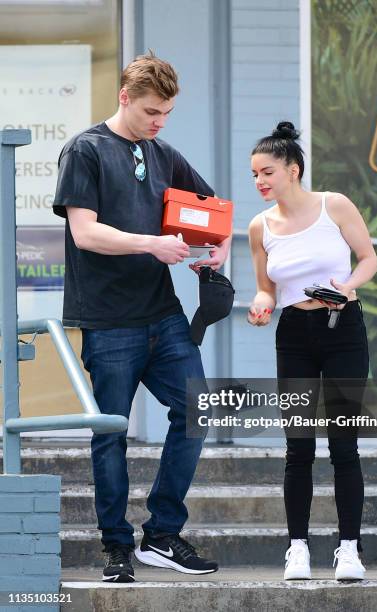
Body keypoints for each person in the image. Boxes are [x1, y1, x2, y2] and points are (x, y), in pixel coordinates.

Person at [53, 51, 230, 583]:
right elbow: (85, 232)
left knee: (199, 412)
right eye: (152, 110)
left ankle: (162, 535)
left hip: (163, 316)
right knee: (111, 433)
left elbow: (210, 208)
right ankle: (115, 548)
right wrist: (152, 244)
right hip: (108, 322)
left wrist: (216, 244)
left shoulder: (162, 151)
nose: (159, 121)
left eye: (168, 112)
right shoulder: (85, 150)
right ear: (125, 97)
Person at [247, 121, 377, 580]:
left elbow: (369, 259)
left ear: (293, 170)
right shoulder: (259, 226)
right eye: (255, 175)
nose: (260, 182)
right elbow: (266, 289)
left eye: (267, 172)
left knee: (345, 443)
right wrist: (261, 306)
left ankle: (349, 549)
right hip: (295, 334)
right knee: (297, 446)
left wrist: (347, 285)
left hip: (343, 328)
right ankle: (297, 548)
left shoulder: (334, 206)